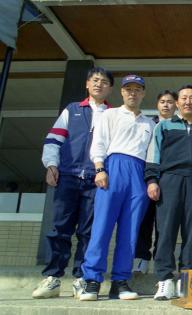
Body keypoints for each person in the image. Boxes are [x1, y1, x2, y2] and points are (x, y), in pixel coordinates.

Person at [32, 67, 113, 299]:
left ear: (110, 88)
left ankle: (80, 278)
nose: (99, 84)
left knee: (88, 232)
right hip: (67, 177)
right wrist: (51, 165)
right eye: (95, 80)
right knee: (59, 229)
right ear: (87, 84)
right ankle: (52, 278)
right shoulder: (72, 110)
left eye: (104, 81)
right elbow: (53, 139)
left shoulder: (112, 114)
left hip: (96, 181)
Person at [79, 74, 155, 301]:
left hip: (138, 174)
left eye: (137, 89)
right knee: (101, 226)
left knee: (130, 231)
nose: (133, 93)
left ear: (143, 93)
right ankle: (92, 280)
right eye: (128, 89)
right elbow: (99, 142)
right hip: (113, 169)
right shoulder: (109, 114)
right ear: (121, 92)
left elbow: (152, 156)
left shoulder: (149, 123)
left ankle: (120, 281)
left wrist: (149, 180)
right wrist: (100, 168)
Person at [145, 85, 192, 300]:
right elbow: (153, 154)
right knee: (166, 231)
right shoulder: (163, 126)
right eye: (183, 98)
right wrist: (152, 180)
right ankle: (165, 280)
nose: (187, 102)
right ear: (177, 103)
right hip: (169, 181)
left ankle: (187, 279)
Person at [133, 90, 177, 274]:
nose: (166, 105)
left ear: (176, 105)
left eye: (170, 102)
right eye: (162, 101)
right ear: (157, 104)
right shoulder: (148, 124)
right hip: (147, 179)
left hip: (168, 182)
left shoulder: (179, 126)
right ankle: (141, 259)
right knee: (145, 221)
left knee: (164, 226)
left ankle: (161, 260)